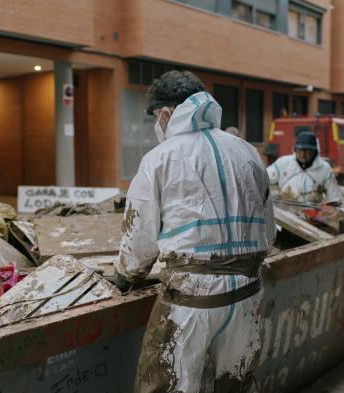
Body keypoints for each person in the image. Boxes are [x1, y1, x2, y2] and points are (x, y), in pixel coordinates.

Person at [114, 70, 276, 393]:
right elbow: (269, 233)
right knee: (237, 385)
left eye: (156, 120)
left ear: (165, 113)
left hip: (190, 305)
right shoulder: (248, 153)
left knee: (165, 384)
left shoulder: (159, 159)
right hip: (247, 298)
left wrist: (123, 275)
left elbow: (137, 250)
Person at [267, 132, 341, 204]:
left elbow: (334, 198)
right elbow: (264, 179)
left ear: (314, 151)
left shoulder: (325, 169)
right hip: (286, 211)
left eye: (307, 150)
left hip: (313, 212)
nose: (303, 154)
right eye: (300, 150)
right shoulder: (283, 163)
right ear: (295, 150)